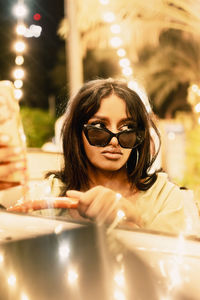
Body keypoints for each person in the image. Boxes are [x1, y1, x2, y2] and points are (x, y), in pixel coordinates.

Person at [8, 78, 200, 234]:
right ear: (77, 134)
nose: (114, 141)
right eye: (99, 128)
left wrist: (131, 223)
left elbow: (178, 269)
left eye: (127, 129)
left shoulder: (166, 198)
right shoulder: (47, 196)